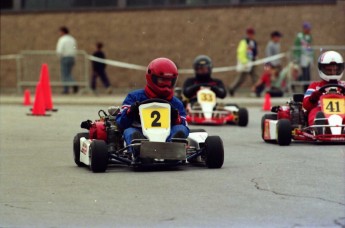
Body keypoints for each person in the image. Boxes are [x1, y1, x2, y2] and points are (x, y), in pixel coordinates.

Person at [115, 57, 189, 159]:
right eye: (162, 80)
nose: (166, 84)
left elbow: (185, 125)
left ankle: (173, 150)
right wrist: (130, 111)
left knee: (181, 129)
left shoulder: (176, 102)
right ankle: (140, 151)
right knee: (130, 131)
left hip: (167, 136)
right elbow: (120, 123)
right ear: (151, 77)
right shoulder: (134, 97)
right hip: (141, 132)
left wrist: (176, 118)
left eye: (169, 81)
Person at [302, 51, 345, 128]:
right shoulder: (315, 86)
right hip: (320, 110)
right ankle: (319, 128)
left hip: (343, 111)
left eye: (335, 70)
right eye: (329, 70)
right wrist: (315, 96)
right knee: (316, 113)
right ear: (321, 69)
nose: (332, 72)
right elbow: (305, 105)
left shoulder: (343, 85)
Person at [229, 27, 258, 97]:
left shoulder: (253, 42)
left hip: (252, 62)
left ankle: (257, 90)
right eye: (250, 34)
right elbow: (241, 52)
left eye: (252, 34)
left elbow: (254, 51)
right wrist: (245, 62)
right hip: (246, 63)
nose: (251, 36)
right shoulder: (244, 42)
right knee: (242, 78)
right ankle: (232, 88)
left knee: (255, 77)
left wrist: (255, 58)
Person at [56, 26, 78, 94]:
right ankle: (67, 88)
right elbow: (75, 48)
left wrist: (59, 56)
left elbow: (59, 50)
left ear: (63, 32)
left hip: (65, 57)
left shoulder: (62, 39)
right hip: (72, 57)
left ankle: (70, 86)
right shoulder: (72, 39)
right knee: (68, 73)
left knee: (65, 74)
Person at [293, 22, 313, 92]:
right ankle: (305, 88)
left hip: (308, 57)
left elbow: (310, 47)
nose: (309, 30)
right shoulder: (300, 36)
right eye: (308, 29)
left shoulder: (309, 36)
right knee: (304, 73)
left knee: (308, 74)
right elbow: (296, 47)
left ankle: (308, 88)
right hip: (302, 57)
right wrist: (296, 58)